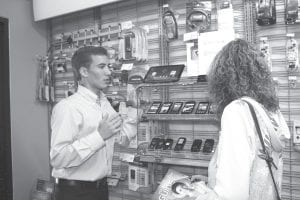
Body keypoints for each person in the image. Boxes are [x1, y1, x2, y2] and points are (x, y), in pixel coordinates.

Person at [194, 39, 290, 200]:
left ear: (223, 78)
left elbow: (232, 194)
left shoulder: (237, 111)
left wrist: (199, 196)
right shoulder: (271, 110)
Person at [50, 46, 137, 200]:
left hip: (101, 190)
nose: (109, 72)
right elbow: (58, 158)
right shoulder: (68, 107)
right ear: (84, 72)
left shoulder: (105, 104)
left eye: (108, 67)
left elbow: (122, 140)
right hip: (74, 193)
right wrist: (99, 136)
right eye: (102, 67)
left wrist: (134, 111)